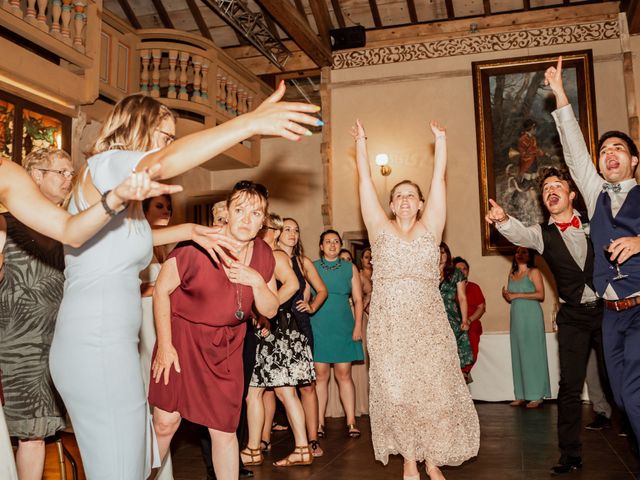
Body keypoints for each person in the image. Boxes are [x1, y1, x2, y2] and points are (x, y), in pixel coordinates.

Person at [49, 86, 320, 479]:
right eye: (164, 136)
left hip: (114, 342)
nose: (168, 146)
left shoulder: (124, 200)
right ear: (139, 129)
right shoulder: (109, 163)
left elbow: (130, 241)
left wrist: (191, 228)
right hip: (95, 339)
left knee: (127, 461)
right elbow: (162, 163)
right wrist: (249, 123)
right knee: (124, 462)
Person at [351, 119, 479, 480]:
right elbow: (364, 183)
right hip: (389, 323)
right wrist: (362, 143)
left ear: (421, 204)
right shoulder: (378, 228)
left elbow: (439, 181)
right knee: (397, 392)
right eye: (399, 195)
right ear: (391, 204)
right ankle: (409, 457)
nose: (405, 199)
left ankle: (433, 458)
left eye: (411, 195)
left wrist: (441, 141)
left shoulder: (431, 227)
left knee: (433, 390)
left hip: (427, 321)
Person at [149, 181, 278, 480]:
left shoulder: (263, 254)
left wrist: (256, 281)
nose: (247, 218)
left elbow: (270, 310)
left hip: (228, 346)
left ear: (262, 221)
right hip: (182, 340)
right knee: (166, 423)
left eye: (255, 213)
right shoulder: (196, 246)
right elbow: (160, 292)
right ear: (227, 215)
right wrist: (166, 347)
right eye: (240, 210)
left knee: (224, 429)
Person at [486, 167, 609, 473]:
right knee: (568, 386)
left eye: (557, 185)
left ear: (571, 195)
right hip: (572, 317)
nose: (551, 190)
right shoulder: (543, 234)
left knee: (619, 380)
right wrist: (503, 220)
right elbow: (520, 234)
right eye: (545, 189)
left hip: (608, 311)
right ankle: (570, 455)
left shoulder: (595, 225)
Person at [545, 55, 640, 450]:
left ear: (634, 161)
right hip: (609, 314)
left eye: (618, 148)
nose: (608, 154)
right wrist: (560, 94)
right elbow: (574, 152)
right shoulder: (596, 192)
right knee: (620, 396)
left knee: (634, 395)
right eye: (604, 151)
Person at [0, 148, 73, 480]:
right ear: (34, 175)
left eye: (72, 173)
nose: (68, 179)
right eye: (61, 172)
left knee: (38, 432)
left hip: (56, 345)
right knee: (28, 433)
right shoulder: (5, 224)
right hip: (13, 347)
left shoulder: (69, 228)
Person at [242, 213, 315, 468]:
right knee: (265, 392)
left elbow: (293, 284)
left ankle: (259, 449)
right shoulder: (264, 254)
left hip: (278, 330)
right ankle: (266, 448)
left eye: (265, 228)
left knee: (273, 393)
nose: (260, 231)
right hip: (275, 329)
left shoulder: (275, 255)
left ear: (271, 231)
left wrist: (266, 311)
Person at [277, 217, 328, 457]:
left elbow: (323, 290)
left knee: (307, 385)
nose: (292, 233)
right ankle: (265, 439)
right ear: (277, 233)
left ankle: (312, 439)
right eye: (287, 229)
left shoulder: (303, 261)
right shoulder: (269, 258)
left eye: (295, 230)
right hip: (275, 324)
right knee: (277, 386)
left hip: (299, 324)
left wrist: (313, 306)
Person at [312, 230, 364, 439]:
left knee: (344, 374)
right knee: (320, 375)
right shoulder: (312, 267)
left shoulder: (349, 268)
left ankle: (351, 421)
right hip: (318, 325)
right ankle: (318, 423)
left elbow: (359, 300)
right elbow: (307, 295)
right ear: (321, 246)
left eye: (336, 241)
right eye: (328, 242)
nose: (332, 245)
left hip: (343, 325)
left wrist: (358, 326)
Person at [139, 194, 175, 480]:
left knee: (162, 402)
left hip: (161, 319)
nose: (166, 211)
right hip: (143, 319)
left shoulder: (164, 247)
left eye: (168, 207)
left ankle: (159, 469)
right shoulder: (139, 242)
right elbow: (130, 286)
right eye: (159, 206)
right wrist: (163, 288)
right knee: (147, 387)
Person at [502, 247, 550, 408]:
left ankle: (536, 395)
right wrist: (508, 296)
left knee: (533, 354)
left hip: (531, 316)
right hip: (516, 316)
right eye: (517, 252)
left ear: (530, 256)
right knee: (518, 353)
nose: (520, 255)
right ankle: (521, 394)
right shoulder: (512, 274)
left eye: (524, 252)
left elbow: (540, 295)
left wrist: (516, 295)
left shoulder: (533, 272)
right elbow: (511, 297)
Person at [438, 242, 473, 374]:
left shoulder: (456, 273)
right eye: (437, 252)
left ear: (447, 255)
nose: (440, 256)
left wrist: (464, 320)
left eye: (443, 252)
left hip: (451, 316)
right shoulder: (426, 272)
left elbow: (463, 297)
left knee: (452, 353)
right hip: (431, 316)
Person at [452, 256, 486, 370]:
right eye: (458, 269)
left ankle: (465, 371)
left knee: (470, 332)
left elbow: (481, 308)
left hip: (471, 322)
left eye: (464, 269)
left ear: (468, 271)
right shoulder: (448, 288)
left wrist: (469, 320)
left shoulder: (474, 287)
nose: (462, 271)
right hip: (453, 321)